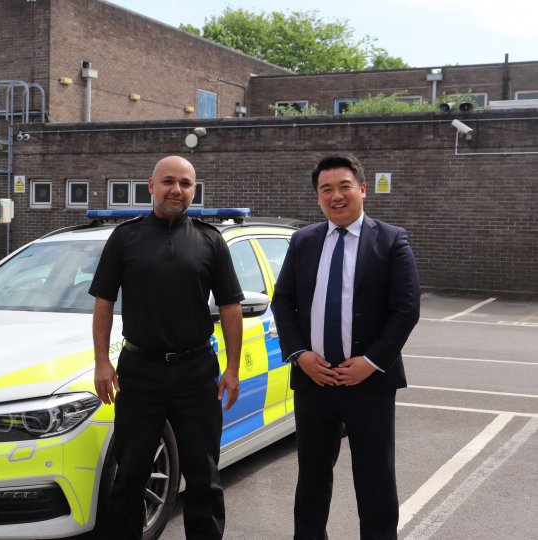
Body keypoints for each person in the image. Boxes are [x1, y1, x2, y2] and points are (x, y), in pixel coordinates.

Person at [89, 156, 244, 540]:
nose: (177, 189)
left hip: (197, 371)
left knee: (204, 475)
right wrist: (101, 362)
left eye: (186, 183)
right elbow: (103, 303)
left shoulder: (211, 240)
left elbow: (230, 307)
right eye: (169, 181)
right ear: (151, 186)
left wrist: (233, 368)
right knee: (130, 474)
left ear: (194, 189)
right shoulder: (125, 238)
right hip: (140, 371)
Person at [271, 153, 420, 540]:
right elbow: (283, 299)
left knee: (375, 483)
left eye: (344, 187)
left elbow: (405, 309)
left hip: (368, 385)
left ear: (362, 189)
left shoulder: (390, 240)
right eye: (326, 189)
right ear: (318, 196)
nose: (336, 196)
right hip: (313, 383)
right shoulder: (304, 240)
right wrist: (300, 355)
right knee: (311, 483)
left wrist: (371, 361)